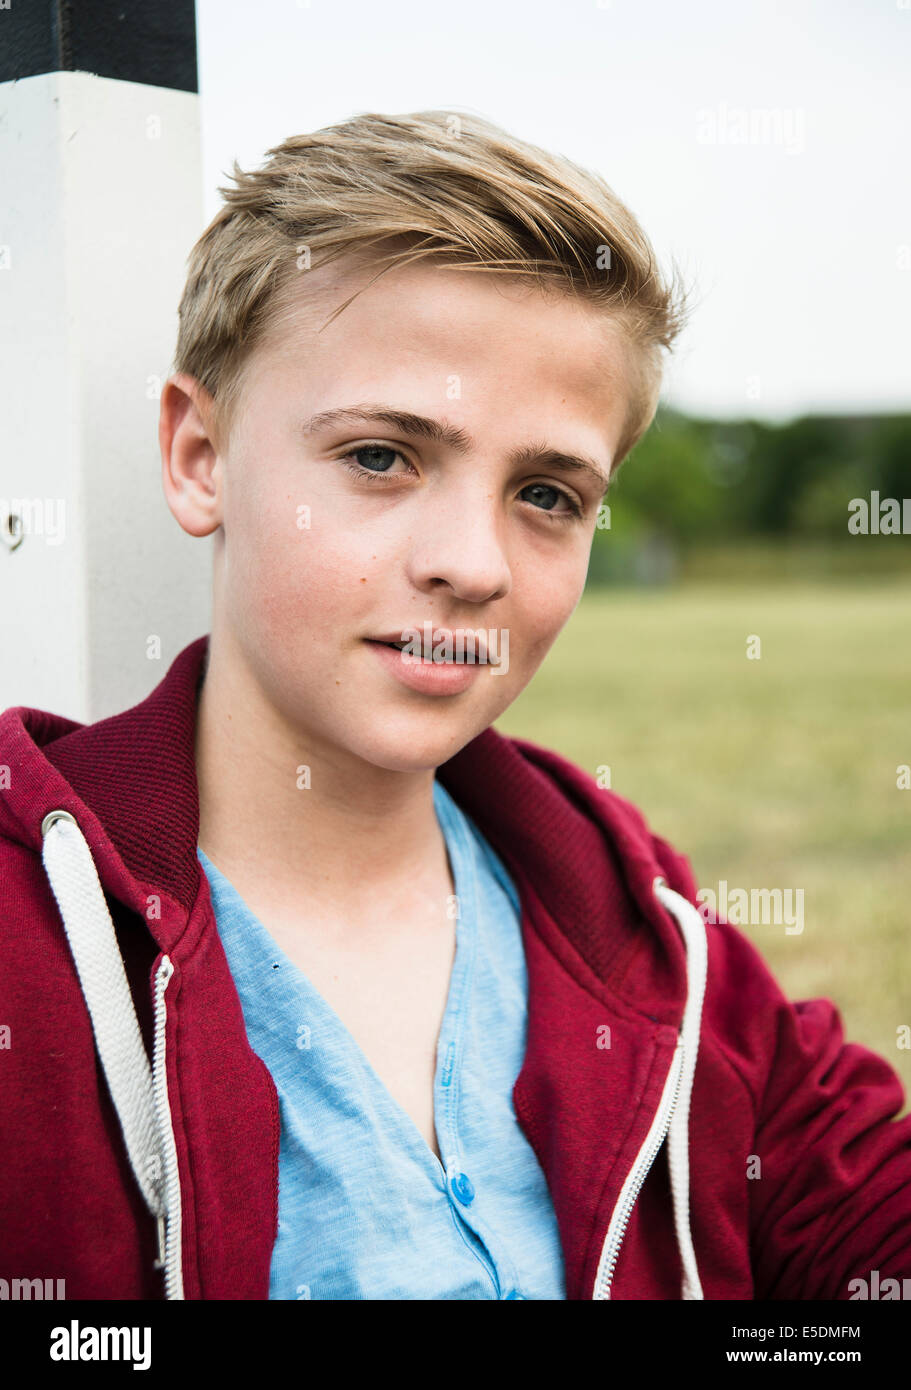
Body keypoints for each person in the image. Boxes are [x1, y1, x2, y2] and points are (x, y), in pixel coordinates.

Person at [1, 109, 908, 1302]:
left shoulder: (631, 920)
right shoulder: (31, 951)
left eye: (544, 492)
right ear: (199, 454)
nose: (470, 562)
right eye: (381, 456)